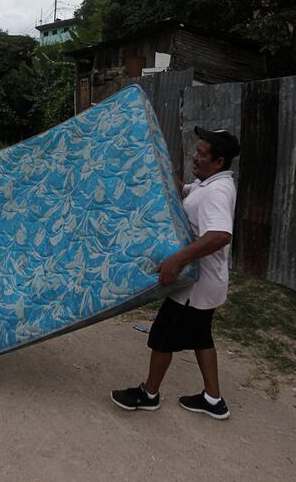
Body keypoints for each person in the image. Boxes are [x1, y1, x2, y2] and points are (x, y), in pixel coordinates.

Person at [111, 127, 240, 420]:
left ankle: (148, 394)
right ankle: (213, 399)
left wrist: (176, 260)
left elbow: (220, 235)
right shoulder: (207, 184)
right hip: (207, 284)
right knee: (201, 337)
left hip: (195, 287)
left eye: (202, 154)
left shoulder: (216, 192)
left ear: (218, 162)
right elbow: (182, 190)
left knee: (161, 337)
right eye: (197, 150)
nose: (195, 156)